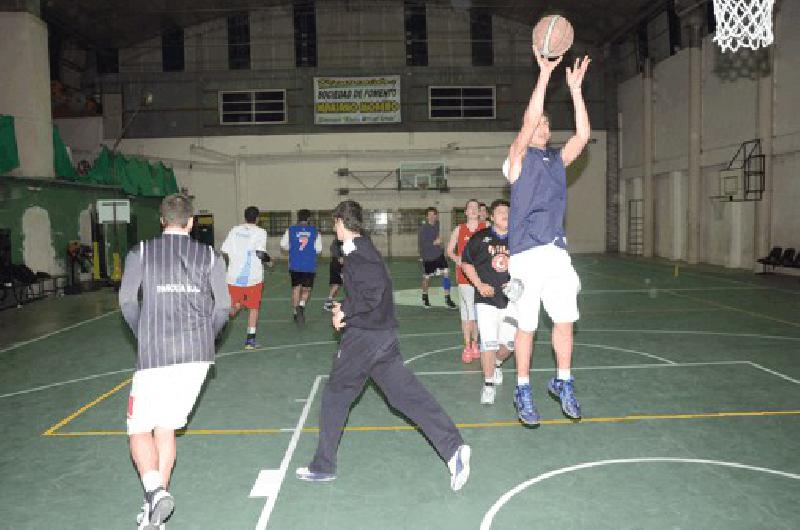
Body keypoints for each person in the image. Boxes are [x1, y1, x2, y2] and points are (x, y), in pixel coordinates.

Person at [296, 200, 471, 491]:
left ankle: (323, 466)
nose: (334, 229)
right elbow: (368, 290)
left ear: (341, 221)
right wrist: (347, 308)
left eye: (334, 223)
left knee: (336, 396)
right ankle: (454, 450)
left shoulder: (360, 253)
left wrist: (346, 311)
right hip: (381, 337)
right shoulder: (360, 248)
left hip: (365, 338)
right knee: (405, 397)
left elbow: (374, 291)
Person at [119, 194, 230, 529]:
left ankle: (154, 490)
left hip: (156, 356)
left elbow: (126, 300)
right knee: (165, 428)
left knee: (139, 429)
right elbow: (223, 307)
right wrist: (205, 338)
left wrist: (143, 333)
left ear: (162, 220)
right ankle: (154, 514)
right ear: (191, 221)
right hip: (196, 358)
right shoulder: (211, 255)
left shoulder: (141, 252)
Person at [503, 48, 591, 425]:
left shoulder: (556, 161)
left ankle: (563, 381)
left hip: (556, 254)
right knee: (527, 326)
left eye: (545, 124)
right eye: (537, 122)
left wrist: (574, 89)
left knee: (565, 320)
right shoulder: (516, 160)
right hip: (524, 255)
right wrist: (544, 75)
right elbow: (527, 123)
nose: (541, 126)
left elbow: (584, 135)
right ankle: (522, 388)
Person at [460, 199, 515, 405]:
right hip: (486, 300)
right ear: (491, 216)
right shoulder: (480, 238)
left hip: (511, 302)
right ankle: (488, 384)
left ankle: (498, 363)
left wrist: (518, 285)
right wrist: (479, 285)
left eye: (508, 212)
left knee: (509, 344)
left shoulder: (519, 239)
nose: (505, 215)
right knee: (489, 343)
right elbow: (466, 263)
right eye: (501, 212)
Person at [221, 206, 270, 349]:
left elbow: (224, 250)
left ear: (245, 217)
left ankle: (216, 325)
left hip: (233, 276)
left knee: (235, 305)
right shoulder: (260, 232)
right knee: (253, 308)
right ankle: (250, 340)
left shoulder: (234, 230)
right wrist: (270, 260)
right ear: (257, 218)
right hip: (252, 278)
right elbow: (261, 254)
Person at [446, 199, 486, 362]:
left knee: (476, 312)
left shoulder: (486, 228)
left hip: (482, 276)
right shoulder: (459, 229)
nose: (473, 210)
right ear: (466, 212)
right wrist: (457, 260)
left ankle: (475, 344)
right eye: (470, 207)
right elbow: (449, 250)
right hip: (464, 277)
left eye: (476, 208)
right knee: (469, 311)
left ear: (480, 211)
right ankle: (468, 346)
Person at [280, 209, 322, 325]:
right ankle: (301, 306)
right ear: (309, 218)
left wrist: (292, 247)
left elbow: (283, 245)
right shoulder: (315, 231)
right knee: (307, 289)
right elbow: (318, 250)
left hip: (295, 264)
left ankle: (295, 312)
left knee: (296, 288)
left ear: (298, 217)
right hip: (309, 264)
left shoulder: (291, 230)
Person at [417, 206, 457, 309]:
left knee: (446, 274)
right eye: (429, 215)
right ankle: (425, 298)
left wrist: (440, 245)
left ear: (436, 216)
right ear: (426, 217)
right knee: (427, 278)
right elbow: (422, 244)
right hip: (428, 257)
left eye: (433, 214)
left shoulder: (437, 224)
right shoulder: (423, 229)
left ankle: (447, 299)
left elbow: (437, 238)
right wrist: (434, 243)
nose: (432, 217)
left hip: (439, 255)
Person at [324, 238, 344, 311]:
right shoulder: (337, 240)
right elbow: (333, 248)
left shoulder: (351, 239)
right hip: (337, 264)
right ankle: (328, 302)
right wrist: (339, 258)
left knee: (338, 285)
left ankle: (329, 302)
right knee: (336, 284)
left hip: (345, 264)